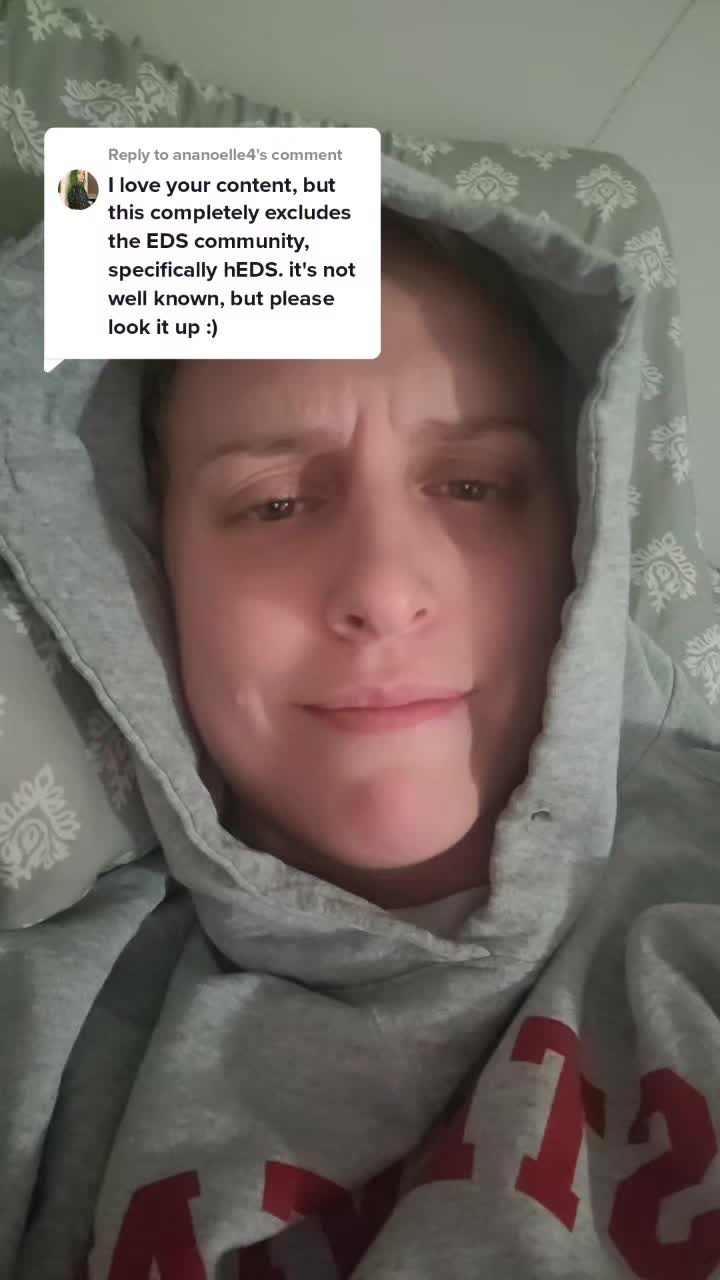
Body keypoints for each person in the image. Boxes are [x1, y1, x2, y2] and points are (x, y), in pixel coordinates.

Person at [1, 200, 719, 1280]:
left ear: (580, 541)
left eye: (473, 487)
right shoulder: (43, 1034)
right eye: (277, 503)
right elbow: (80, 236)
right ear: (143, 567)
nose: (383, 589)